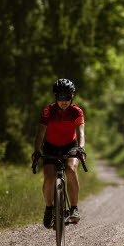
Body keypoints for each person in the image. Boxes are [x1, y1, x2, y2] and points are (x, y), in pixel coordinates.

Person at [31, 78, 86, 229]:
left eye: (67, 97)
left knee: (70, 169)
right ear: (56, 97)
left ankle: (74, 208)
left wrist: (80, 148)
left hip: (70, 146)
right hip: (51, 147)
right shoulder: (48, 112)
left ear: (72, 97)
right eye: (61, 97)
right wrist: (37, 151)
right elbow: (40, 134)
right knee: (49, 177)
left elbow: (80, 132)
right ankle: (49, 209)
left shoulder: (76, 111)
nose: (64, 101)